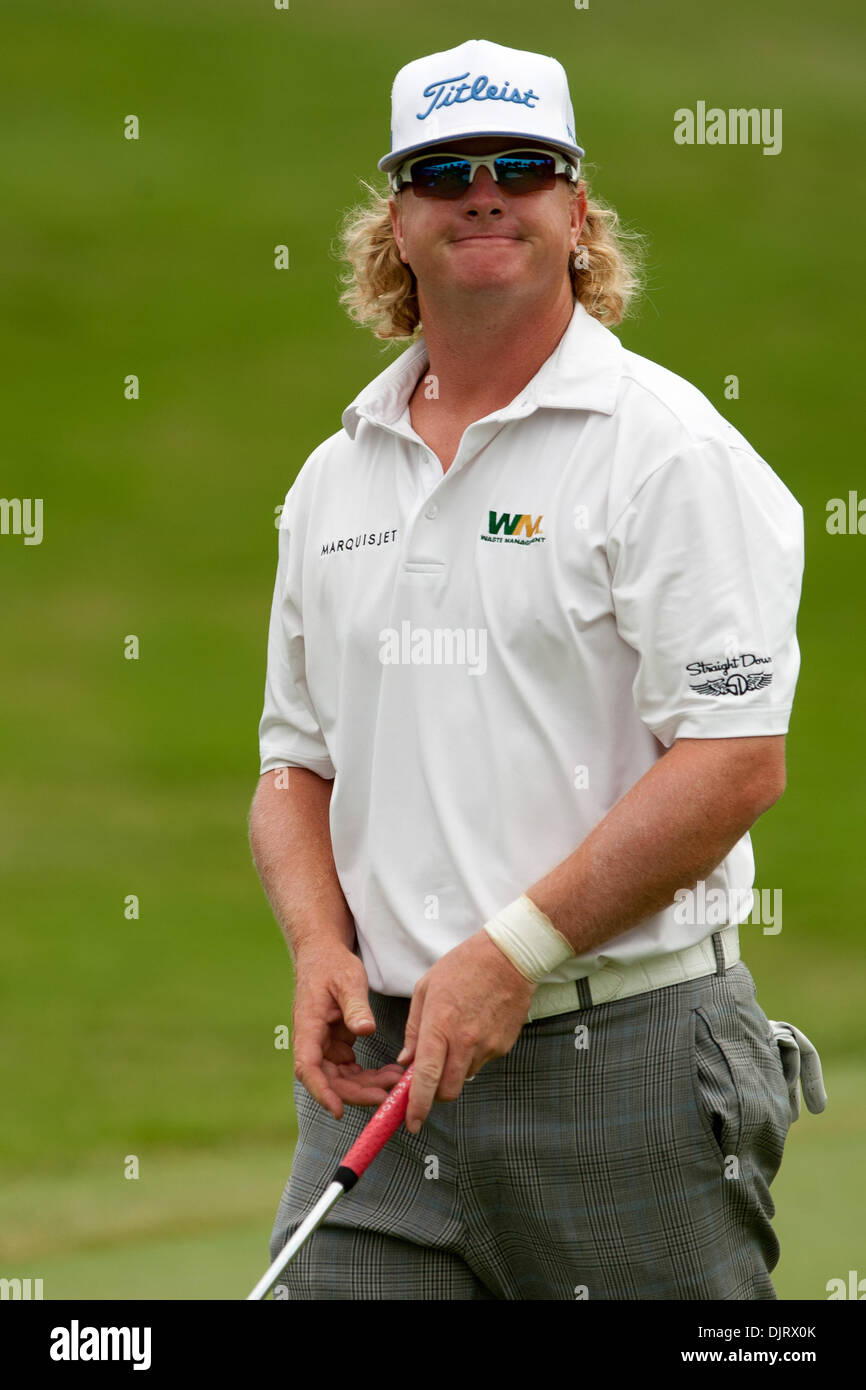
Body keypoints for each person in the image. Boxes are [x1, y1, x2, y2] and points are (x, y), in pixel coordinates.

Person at [249, 38, 824, 1300]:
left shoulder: (667, 451)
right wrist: (313, 942)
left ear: (575, 211)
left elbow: (733, 760)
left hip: (622, 1061)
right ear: (395, 222)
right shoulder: (335, 473)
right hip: (385, 1084)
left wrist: (510, 950)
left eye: (522, 165)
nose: (483, 191)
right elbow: (293, 761)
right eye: (444, 170)